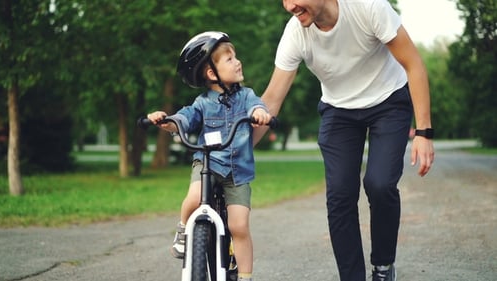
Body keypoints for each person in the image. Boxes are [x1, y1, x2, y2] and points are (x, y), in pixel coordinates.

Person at [254, 0, 435, 280]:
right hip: (339, 111)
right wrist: (237, 152)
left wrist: (423, 132)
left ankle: (383, 266)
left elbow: (413, 64)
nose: (289, 5)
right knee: (339, 195)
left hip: (388, 101)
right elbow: (271, 101)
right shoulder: (295, 33)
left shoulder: (369, 7)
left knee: (380, 183)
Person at [147, 31, 271, 281]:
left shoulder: (246, 96)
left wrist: (260, 113)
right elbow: (185, 118)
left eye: (235, 56)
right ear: (212, 74)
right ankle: (183, 230)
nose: (237, 62)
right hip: (208, 163)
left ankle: (245, 276)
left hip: (238, 172)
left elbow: (258, 105)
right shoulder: (202, 102)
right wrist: (167, 121)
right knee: (193, 198)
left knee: (239, 225)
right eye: (229, 59)